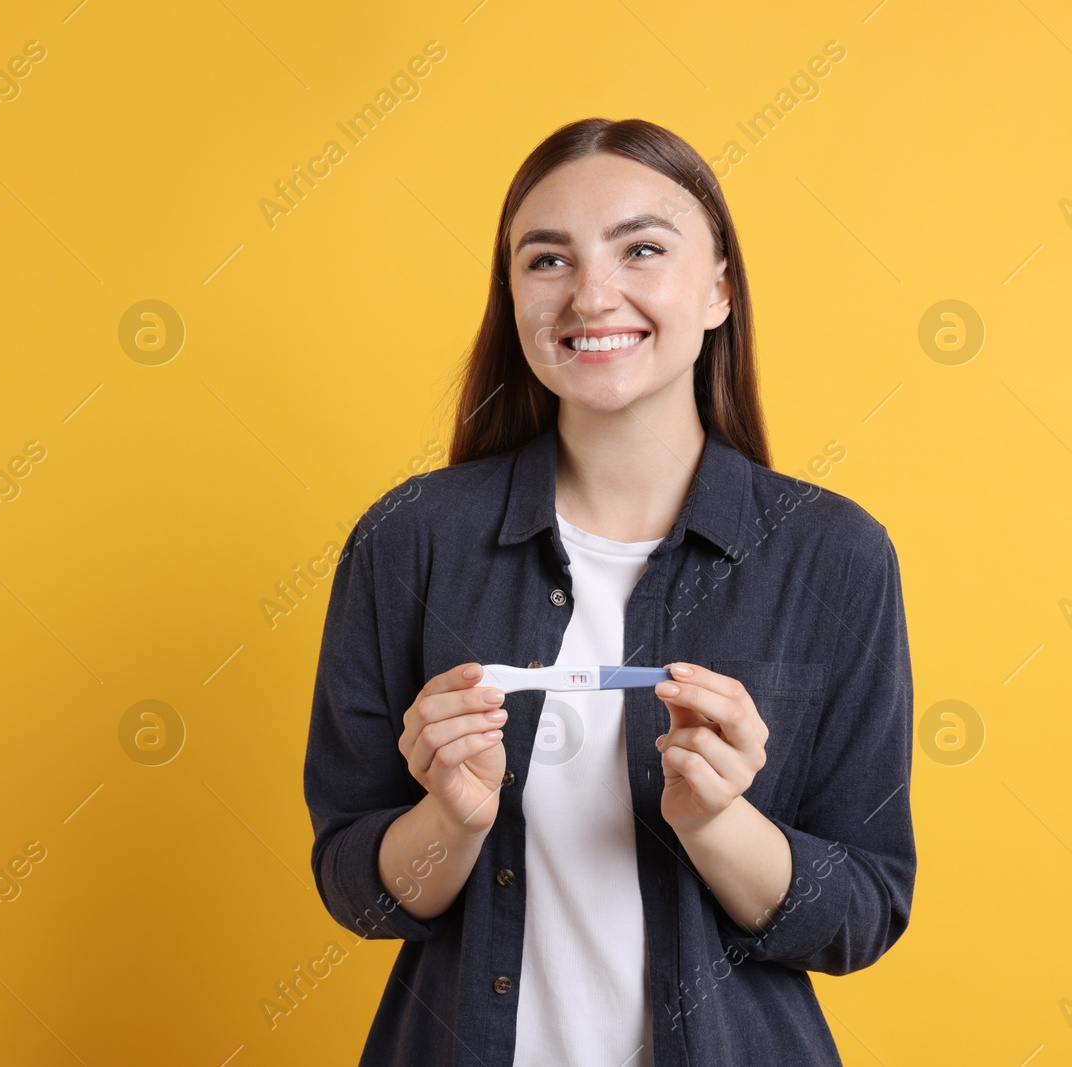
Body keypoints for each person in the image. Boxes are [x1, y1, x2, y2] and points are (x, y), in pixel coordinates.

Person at [302, 116, 915, 1066]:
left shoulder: (835, 555)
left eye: (642, 249)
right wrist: (450, 818)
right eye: (547, 260)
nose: (592, 295)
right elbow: (361, 890)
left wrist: (717, 821)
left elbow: (864, 911)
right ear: (512, 296)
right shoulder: (409, 540)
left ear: (718, 288)